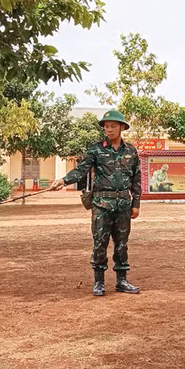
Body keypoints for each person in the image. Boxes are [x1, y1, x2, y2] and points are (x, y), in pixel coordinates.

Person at [51, 109, 142, 296]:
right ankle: (99, 282)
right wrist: (63, 180)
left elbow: (137, 178)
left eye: (113, 126)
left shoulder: (131, 151)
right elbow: (81, 170)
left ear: (122, 127)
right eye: (106, 126)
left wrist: (136, 203)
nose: (109, 130)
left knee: (122, 244)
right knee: (100, 242)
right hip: (102, 204)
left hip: (124, 204)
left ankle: (122, 281)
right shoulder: (96, 149)